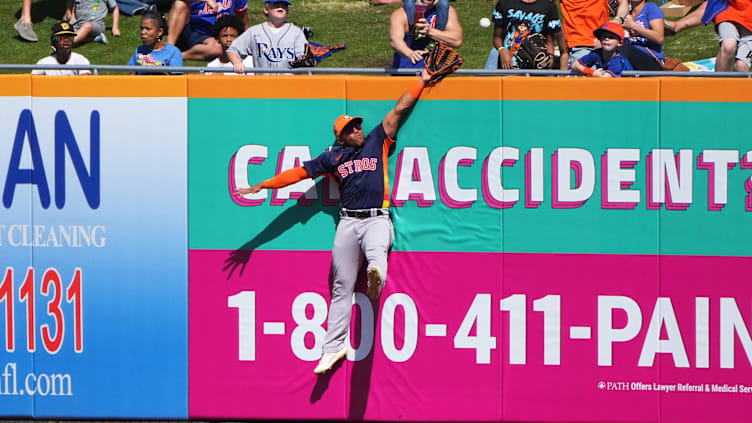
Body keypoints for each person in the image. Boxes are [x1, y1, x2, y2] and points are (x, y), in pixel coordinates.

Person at [234, 68, 434, 375]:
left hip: (376, 217)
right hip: (348, 222)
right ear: (340, 136)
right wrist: (264, 184)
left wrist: (421, 80)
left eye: (357, 125)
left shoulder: (376, 140)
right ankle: (332, 347)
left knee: (378, 250)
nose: (357, 129)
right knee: (341, 287)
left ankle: (375, 273)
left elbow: (399, 109)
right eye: (351, 128)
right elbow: (298, 174)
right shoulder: (332, 159)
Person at [226, 0, 307, 74]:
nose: (280, 7)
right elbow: (232, 50)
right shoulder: (254, 32)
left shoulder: (296, 32)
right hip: (262, 84)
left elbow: (303, 57)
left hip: (288, 84)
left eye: (284, 5)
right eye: (276, 4)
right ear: (266, 9)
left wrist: (304, 60)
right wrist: (237, 63)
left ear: (288, 11)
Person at [491, 0, 569, 70]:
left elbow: (550, 40)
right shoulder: (505, 3)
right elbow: (497, 37)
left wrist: (548, 60)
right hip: (509, 66)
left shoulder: (548, 6)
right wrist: (502, 51)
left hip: (536, 68)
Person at [165, 0, 249, 61]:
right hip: (191, 30)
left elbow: (242, 16)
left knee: (217, 49)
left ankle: (177, 56)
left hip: (218, 34)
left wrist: (248, 42)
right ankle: (168, 50)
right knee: (180, 4)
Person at [389, 0, 463, 69]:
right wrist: (410, 53)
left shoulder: (448, 12)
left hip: (435, 73)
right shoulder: (402, 13)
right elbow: (395, 40)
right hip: (407, 70)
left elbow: (457, 41)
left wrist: (430, 32)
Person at [558, 0, 628, 66]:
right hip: (580, 44)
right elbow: (548, 7)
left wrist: (618, 20)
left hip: (604, 42)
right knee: (591, 77)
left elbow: (623, 2)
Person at [619, 0, 664, 70]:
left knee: (624, 48)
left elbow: (659, 38)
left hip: (650, 59)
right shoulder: (625, 13)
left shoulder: (651, 8)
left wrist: (634, 26)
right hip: (629, 57)